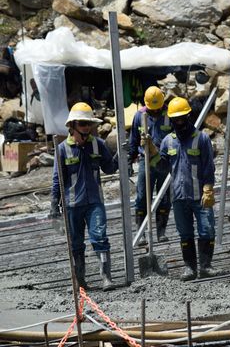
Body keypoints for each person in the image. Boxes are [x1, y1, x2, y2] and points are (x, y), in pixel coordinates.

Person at [51, 102, 118, 291]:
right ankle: (79, 281)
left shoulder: (98, 145)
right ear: (73, 126)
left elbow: (110, 168)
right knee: (76, 244)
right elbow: (57, 179)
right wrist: (53, 204)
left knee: (100, 237)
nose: (86, 128)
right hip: (72, 205)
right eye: (82, 124)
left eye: (88, 124)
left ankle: (106, 278)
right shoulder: (63, 149)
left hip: (94, 202)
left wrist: (122, 156)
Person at [149, 97, 218, 281]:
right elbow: (163, 167)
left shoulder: (201, 139)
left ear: (189, 116)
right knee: (185, 233)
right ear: (171, 120)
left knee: (207, 229)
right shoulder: (167, 142)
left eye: (182, 118)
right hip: (179, 197)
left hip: (199, 195)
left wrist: (208, 188)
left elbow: (208, 167)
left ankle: (205, 266)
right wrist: (152, 152)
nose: (180, 122)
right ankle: (190, 268)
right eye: (176, 119)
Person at [128, 86, 172, 244]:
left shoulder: (170, 114)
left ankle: (161, 232)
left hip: (165, 161)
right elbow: (133, 139)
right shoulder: (140, 115)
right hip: (145, 160)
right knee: (142, 197)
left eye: (157, 108)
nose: (155, 111)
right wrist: (129, 159)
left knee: (164, 197)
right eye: (152, 109)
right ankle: (141, 233)